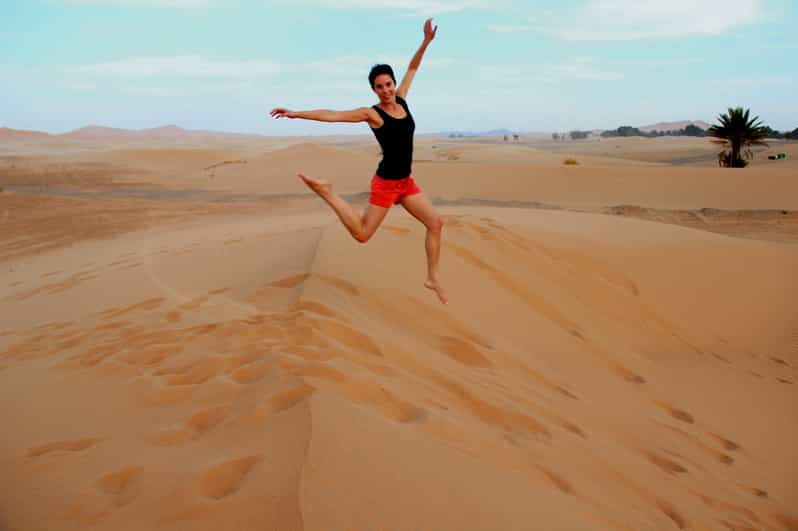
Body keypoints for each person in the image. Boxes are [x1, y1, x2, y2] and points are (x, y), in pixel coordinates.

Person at [270, 18, 447, 304]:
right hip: (387, 184)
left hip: (406, 183)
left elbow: (413, 68)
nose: (387, 90)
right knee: (363, 234)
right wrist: (295, 113)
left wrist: (425, 42)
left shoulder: (402, 100)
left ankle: (432, 277)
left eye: (389, 84)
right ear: (374, 90)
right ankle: (327, 192)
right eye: (380, 87)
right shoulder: (372, 114)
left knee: (436, 223)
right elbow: (333, 115)